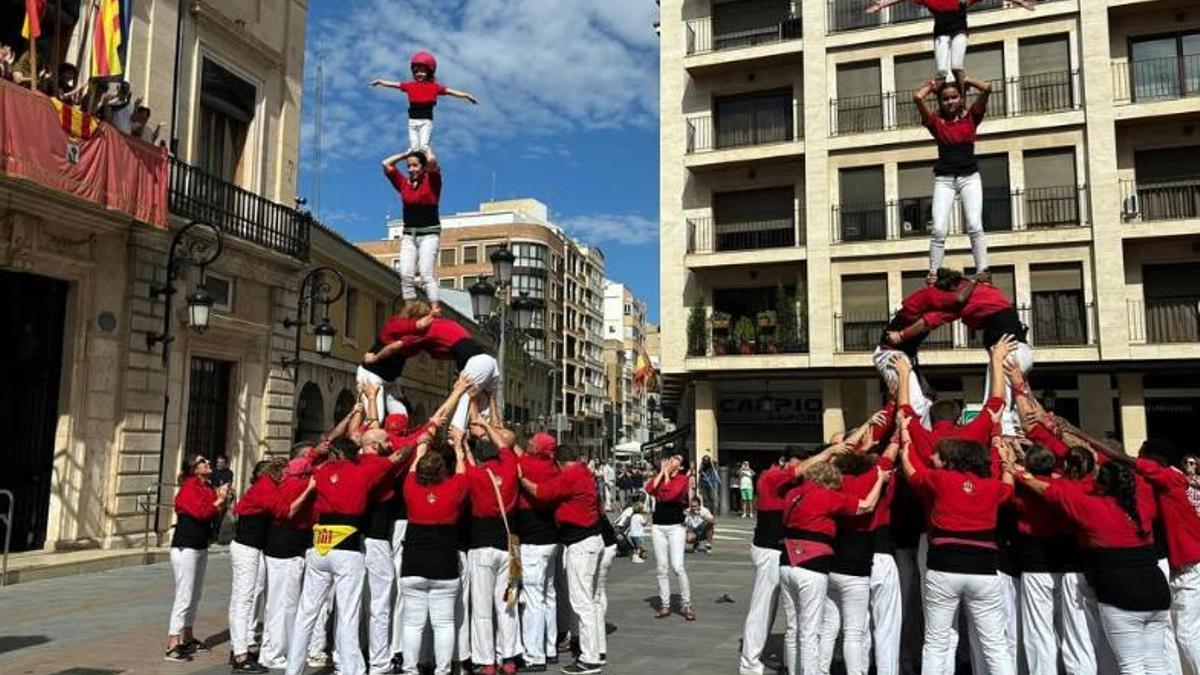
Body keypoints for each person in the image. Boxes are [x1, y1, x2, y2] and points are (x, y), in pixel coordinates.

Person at [1013, 460, 1173, 674]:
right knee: (1155, 662)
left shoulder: (1092, 507)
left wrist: (1021, 475)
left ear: (1102, 485)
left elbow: (1051, 492)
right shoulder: (1141, 506)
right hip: (1157, 590)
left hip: (1121, 593)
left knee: (1131, 664)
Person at [897, 405, 1016, 675]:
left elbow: (913, 473)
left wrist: (906, 443)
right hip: (984, 570)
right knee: (995, 643)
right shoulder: (992, 486)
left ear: (953, 461)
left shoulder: (939, 480)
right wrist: (998, 441)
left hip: (944, 566)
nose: (935, 456)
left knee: (937, 641)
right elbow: (1007, 483)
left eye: (940, 455)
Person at [283, 433, 413, 675]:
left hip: (319, 544)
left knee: (306, 612)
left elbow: (303, 463)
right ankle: (351, 669)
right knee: (348, 613)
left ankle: (293, 669)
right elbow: (397, 456)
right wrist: (414, 442)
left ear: (336, 453)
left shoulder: (321, 472)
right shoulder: (363, 471)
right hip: (347, 546)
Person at [778, 446, 887, 675]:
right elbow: (866, 505)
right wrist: (879, 480)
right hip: (812, 565)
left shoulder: (792, 494)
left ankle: (794, 671)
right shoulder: (826, 495)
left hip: (787, 562)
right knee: (810, 631)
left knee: (794, 626)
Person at [519, 443, 607, 675]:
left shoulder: (570, 476)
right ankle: (596, 652)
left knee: (581, 601)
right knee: (591, 598)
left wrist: (521, 479)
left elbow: (540, 492)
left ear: (558, 463)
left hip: (581, 544)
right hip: (592, 541)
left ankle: (589, 659)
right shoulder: (583, 471)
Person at [397, 394, 467, 675]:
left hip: (414, 562)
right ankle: (441, 670)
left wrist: (422, 445)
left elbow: (414, 465)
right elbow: (462, 470)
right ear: (443, 472)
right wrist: (459, 447)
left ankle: (411, 668)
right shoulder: (453, 490)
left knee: (412, 623)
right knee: (444, 623)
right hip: (444, 564)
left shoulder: (411, 488)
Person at [821, 446, 899, 675]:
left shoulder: (836, 484)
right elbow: (887, 460)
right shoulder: (876, 478)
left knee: (852, 628)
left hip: (840, 561)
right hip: (878, 555)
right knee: (886, 626)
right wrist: (899, 432)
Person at [912, 76, 993, 279]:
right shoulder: (936, 124)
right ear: (940, 102)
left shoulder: (972, 117)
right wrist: (932, 86)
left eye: (954, 97)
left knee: (975, 225)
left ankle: (982, 270)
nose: (950, 102)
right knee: (938, 229)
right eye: (945, 99)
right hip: (944, 180)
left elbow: (987, 88)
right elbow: (917, 97)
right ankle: (933, 272)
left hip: (969, 178)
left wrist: (965, 79)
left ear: (961, 98)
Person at [374, 302, 500, 432]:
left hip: (476, 363)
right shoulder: (446, 323)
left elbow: (394, 347)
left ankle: (450, 436)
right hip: (489, 362)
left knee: (461, 410)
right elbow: (447, 351)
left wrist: (375, 357)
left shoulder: (424, 330)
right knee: (486, 417)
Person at [461, 418, 522, 675]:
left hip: (482, 544)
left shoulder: (474, 474)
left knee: (483, 606)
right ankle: (509, 657)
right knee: (508, 603)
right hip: (511, 545)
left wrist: (462, 447)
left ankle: (486, 660)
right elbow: (507, 448)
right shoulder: (509, 468)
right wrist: (487, 428)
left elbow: (464, 466)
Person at [865, 0, 1035, 85]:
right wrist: (881, 4)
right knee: (941, 70)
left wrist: (1021, 2)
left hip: (959, 31)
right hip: (941, 34)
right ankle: (942, 98)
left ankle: (961, 97)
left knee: (956, 66)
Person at [165, 454, 229, 662]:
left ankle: (188, 636)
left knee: (195, 593)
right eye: (203, 462)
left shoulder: (206, 486)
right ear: (194, 469)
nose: (208, 463)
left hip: (200, 544)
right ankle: (173, 642)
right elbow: (200, 512)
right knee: (185, 593)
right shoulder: (189, 487)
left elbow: (213, 513)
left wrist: (221, 500)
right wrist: (218, 500)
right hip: (186, 545)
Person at [739, 453, 795, 675]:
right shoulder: (770, 477)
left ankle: (790, 662)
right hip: (769, 549)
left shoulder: (781, 478)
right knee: (763, 606)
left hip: (782, 549)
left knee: (784, 610)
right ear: (783, 462)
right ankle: (749, 662)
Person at [228, 458, 284, 673]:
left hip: (250, 547)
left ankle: (238, 647)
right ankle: (240, 655)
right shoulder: (265, 489)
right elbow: (281, 510)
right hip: (247, 548)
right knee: (243, 600)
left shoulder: (263, 488)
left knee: (242, 599)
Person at [369, 51, 478, 155]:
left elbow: (451, 92)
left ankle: (431, 161)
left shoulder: (434, 87)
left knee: (424, 146)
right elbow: (394, 84)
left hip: (426, 121)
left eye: (421, 71)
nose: (418, 74)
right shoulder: (410, 86)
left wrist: (466, 95)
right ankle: (415, 163)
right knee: (414, 147)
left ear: (428, 72)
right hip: (412, 121)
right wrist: (380, 82)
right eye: (416, 72)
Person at [517, 432, 562, 672]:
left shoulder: (528, 465)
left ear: (539, 448)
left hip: (533, 540)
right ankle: (550, 647)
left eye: (533, 441)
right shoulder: (553, 467)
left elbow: (510, 452)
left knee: (533, 598)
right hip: (550, 539)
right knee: (549, 594)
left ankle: (534, 655)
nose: (529, 442)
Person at [382, 149, 443, 310]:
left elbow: (432, 163)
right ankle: (410, 307)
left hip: (429, 234)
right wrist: (404, 154)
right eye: (408, 166)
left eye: (415, 165)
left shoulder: (432, 182)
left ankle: (435, 308)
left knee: (425, 274)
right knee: (406, 274)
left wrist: (427, 150)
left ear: (423, 167)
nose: (411, 169)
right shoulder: (404, 184)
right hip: (409, 235)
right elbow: (386, 164)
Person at [645, 454, 694, 620]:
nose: (672, 461)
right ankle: (665, 604)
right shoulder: (659, 477)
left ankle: (686, 604)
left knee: (678, 566)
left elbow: (669, 495)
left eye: (677, 461)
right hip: (658, 526)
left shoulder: (682, 480)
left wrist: (665, 474)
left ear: (680, 467)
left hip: (675, 527)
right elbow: (650, 489)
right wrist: (661, 472)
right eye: (672, 459)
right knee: (661, 567)